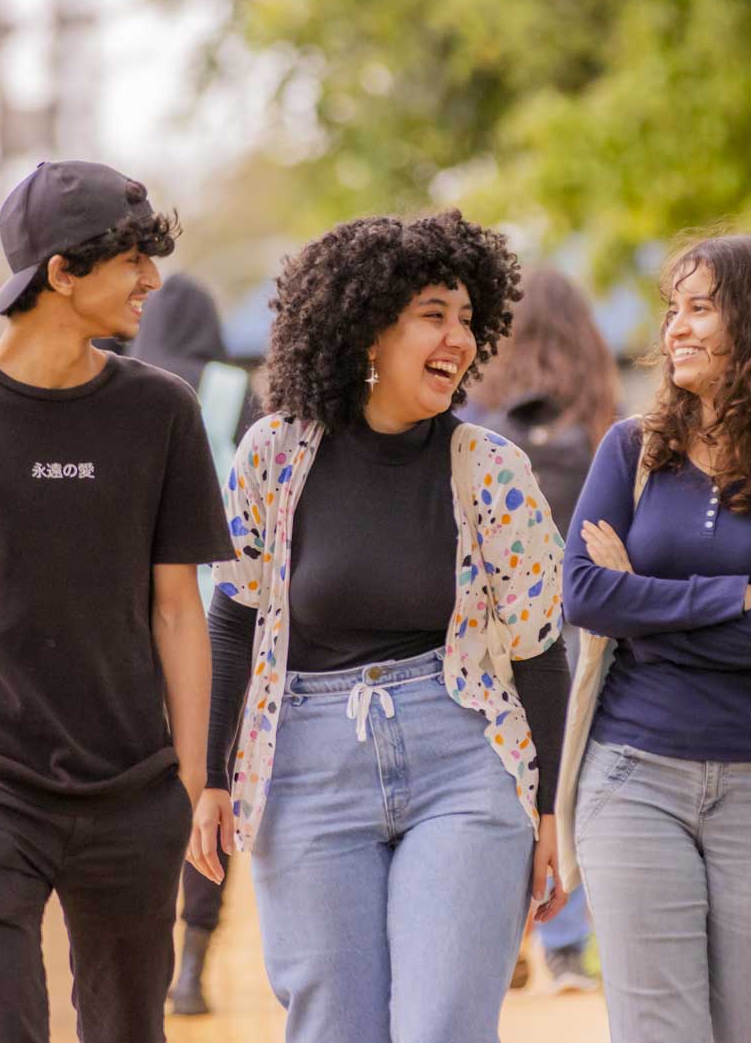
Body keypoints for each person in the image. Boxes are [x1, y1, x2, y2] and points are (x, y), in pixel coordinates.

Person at [188, 210, 572, 1043]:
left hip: (465, 759)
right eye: (434, 314)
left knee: (441, 1025)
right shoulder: (273, 456)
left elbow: (540, 652)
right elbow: (234, 622)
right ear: (366, 329)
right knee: (335, 1026)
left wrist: (548, 816)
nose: (459, 339)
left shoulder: (491, 471)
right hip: (308, 763)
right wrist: (210, 777)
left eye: (469, 319)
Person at [0, 160, 234, 1043]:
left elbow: (179, 611)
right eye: (132, 260)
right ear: (62, 273)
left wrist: (188, 778)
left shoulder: (163, 411)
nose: (152, 279)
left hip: (133, 787)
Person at [561, 234, 751, 1042]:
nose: (675, 330)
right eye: (673, 310)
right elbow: (585, 594)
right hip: (633, 778)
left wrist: (645, 611)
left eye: (701, 309)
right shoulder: (630, 450)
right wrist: (733, 596)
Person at [463, 266, 619, 995]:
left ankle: (504, 938)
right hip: (578, 633)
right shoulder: (601, 429)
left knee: (498, 783)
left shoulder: (475, 423)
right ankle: (563, 945)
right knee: (566, 785)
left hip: (491, 637)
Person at [119, 272, 245, 1018]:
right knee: (209, 790)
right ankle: (193, 964)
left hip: (139, 621)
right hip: (222, 620)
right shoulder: (234, 389)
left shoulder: (125, 387)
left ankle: (145, 946)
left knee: (142, 793)